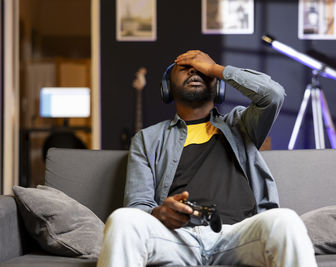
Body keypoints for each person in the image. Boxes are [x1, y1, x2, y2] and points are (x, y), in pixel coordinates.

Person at [97, 50, 317, 267]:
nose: (195, 71)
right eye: (185, 68)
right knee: (122, 220)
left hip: (239, 236)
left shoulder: (241, 125)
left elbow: (273, 94)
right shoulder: (147, 139)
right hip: (176, 239)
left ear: (218, 84)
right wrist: (159, 213)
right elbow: (137, 205)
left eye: (201, 69)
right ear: (167, 88)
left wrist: (216, 69)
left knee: (286, 220)